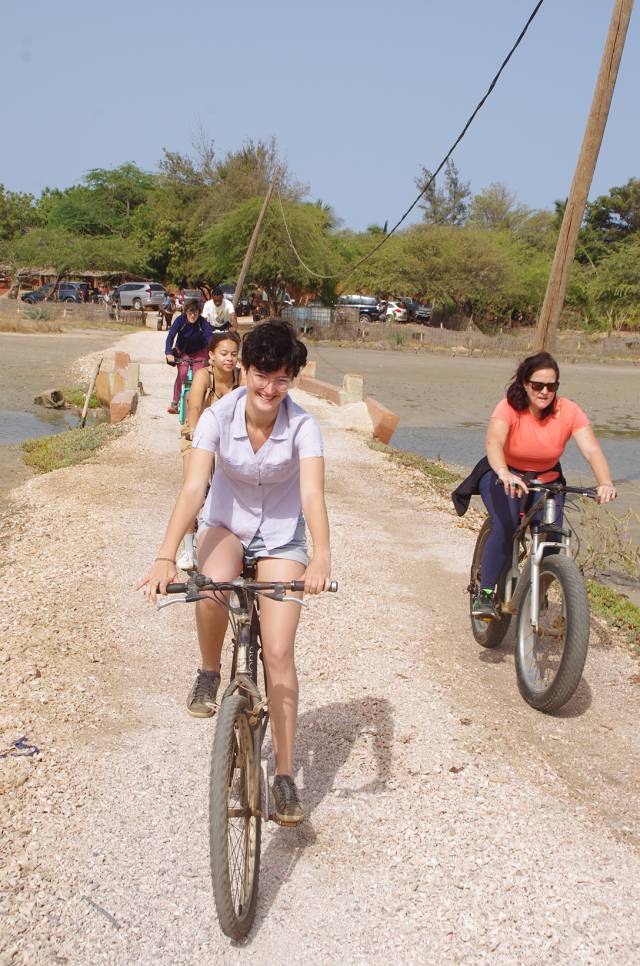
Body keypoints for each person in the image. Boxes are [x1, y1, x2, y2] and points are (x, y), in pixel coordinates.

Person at [137, 319, 332, 825]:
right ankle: (208, 670)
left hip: (283, 536)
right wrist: (164, 554)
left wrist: (323, 556)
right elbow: (193, 488)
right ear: (242, 369)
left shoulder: (304, 426)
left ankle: (285, 776)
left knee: (281, 650)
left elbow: (312, 494)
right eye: (261, 375)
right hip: (226, 523)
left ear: (293, 379)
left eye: (282, 379)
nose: (270, 389)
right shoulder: (216, 418)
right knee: (210, 589)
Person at [453, 352, 617, 619]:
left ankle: (537, 592)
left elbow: (592, 451)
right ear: (524, 383)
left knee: (552, 541)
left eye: (551, 386)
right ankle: (484, 595)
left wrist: (605, 482)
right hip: (503, 473)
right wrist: (505, 472)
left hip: (547, 479)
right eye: (537, 385)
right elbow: (493, 442)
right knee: (505, 528)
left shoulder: (568, 411)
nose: (544, 392)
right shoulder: (508, 408)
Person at [176, 330, 244, 570]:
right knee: (193, 487)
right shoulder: (204, 375)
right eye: (223, 353)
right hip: (198, 436)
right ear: (212, 355)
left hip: (229, 438)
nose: (229, 359)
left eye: (234, 354)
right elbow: (194, 405)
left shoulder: (241, 376)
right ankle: (186, 548)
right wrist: (194, 430)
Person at [164, 299, 214, 414]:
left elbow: (210, 338)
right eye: (190, 312)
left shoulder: (202, 322)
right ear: (185, 312)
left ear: (199, 312)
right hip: (183, 351)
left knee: (199, 376)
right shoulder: (180, 320)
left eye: (195, 313)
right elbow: (171, 336)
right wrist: (168, 353)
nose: (192, 315)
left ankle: (199, 403)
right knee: (182, 374)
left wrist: (212, 355)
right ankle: (175, 402)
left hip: (200, 351)